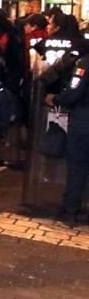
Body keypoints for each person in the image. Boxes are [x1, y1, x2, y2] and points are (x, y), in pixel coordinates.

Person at [48, 55, 89, 225]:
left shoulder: (84, 63)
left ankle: (70, 210)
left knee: (77, 167)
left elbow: (74, 92)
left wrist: (55, 99)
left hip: (84, 121)